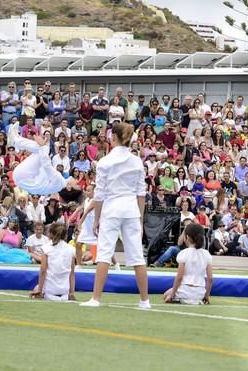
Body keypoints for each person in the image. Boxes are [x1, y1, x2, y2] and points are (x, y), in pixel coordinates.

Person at [81, 123, 150, 308]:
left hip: (112, 209)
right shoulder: (136, 161)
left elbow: (100, 194)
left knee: (104, 254)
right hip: (131, 210)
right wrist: (141, 219)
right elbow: (141, 193)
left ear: (113, 138)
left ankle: (96, 298)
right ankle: (145, 300)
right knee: (137, 256)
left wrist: (96, 219)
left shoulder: (105, 162)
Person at [163, 223, 213, 305]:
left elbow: (179, 277)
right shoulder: (206, 254)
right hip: (199, 292)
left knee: (166, 294)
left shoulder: (183, 253)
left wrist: (172, 294)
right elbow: (210, 278)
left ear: (187, 237)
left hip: (184, 290)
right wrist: (206, 295)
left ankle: (178, 298)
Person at [30, 223, 76, 301]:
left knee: (36, 288)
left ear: (51, 233)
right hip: (64, 291)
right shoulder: (71, 249)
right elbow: (72, 273)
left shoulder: (46, 248)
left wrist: (40, 290)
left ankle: (41, 291)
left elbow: (43, 271)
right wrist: (71, 292)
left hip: (50, 290)